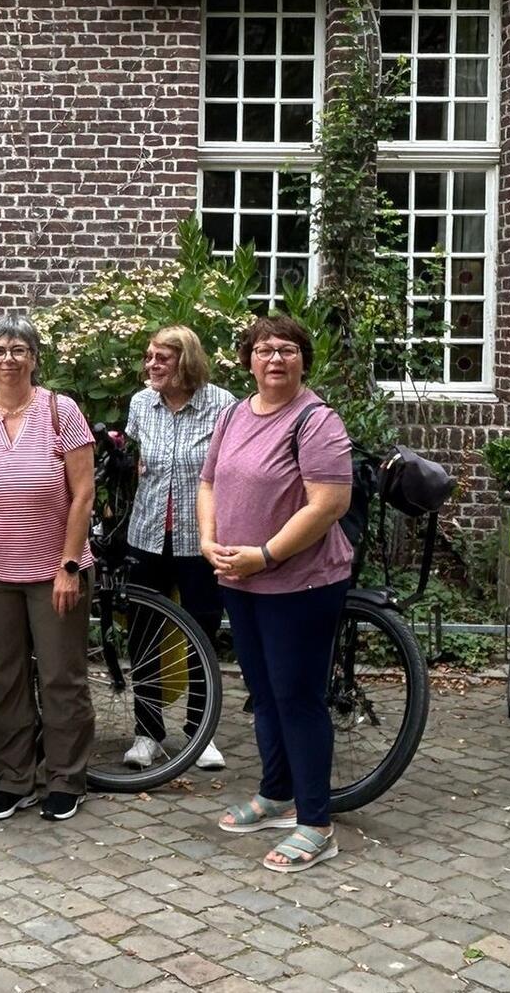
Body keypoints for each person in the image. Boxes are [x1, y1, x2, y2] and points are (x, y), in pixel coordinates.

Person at [200, 315, 353, 873]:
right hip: (240, 579)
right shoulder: (236, 414)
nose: (274, 360)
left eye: (287, 350)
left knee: (298, 698)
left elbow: (328, 504)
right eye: (263, 350)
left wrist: (265, 554)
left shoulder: (316, 421)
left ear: (302, 360)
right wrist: (208, 539)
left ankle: (316, 823)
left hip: (299, 583)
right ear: (249, 360)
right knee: (263, 695)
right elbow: (210, 480)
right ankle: (276, 795)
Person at [0, 316, 97, 823]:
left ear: (35, 358)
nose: (9, 358)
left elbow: (83, 493)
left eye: (19, 349)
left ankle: (65, 778)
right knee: (4, 679)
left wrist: (70, 565)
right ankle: (16, 778)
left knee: (61, 678)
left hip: (54, 567)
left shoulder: (61, 411)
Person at [123, 325, 234, 772]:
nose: (151, 365)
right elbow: (135, 462)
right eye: (149, 357)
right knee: (144, 634)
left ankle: (199, 732)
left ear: (185, 361)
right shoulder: (140, 405)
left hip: (200, 539)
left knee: (201, 635)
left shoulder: (222, 406)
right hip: (146, 534)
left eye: (161, 359)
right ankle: (146, 733)